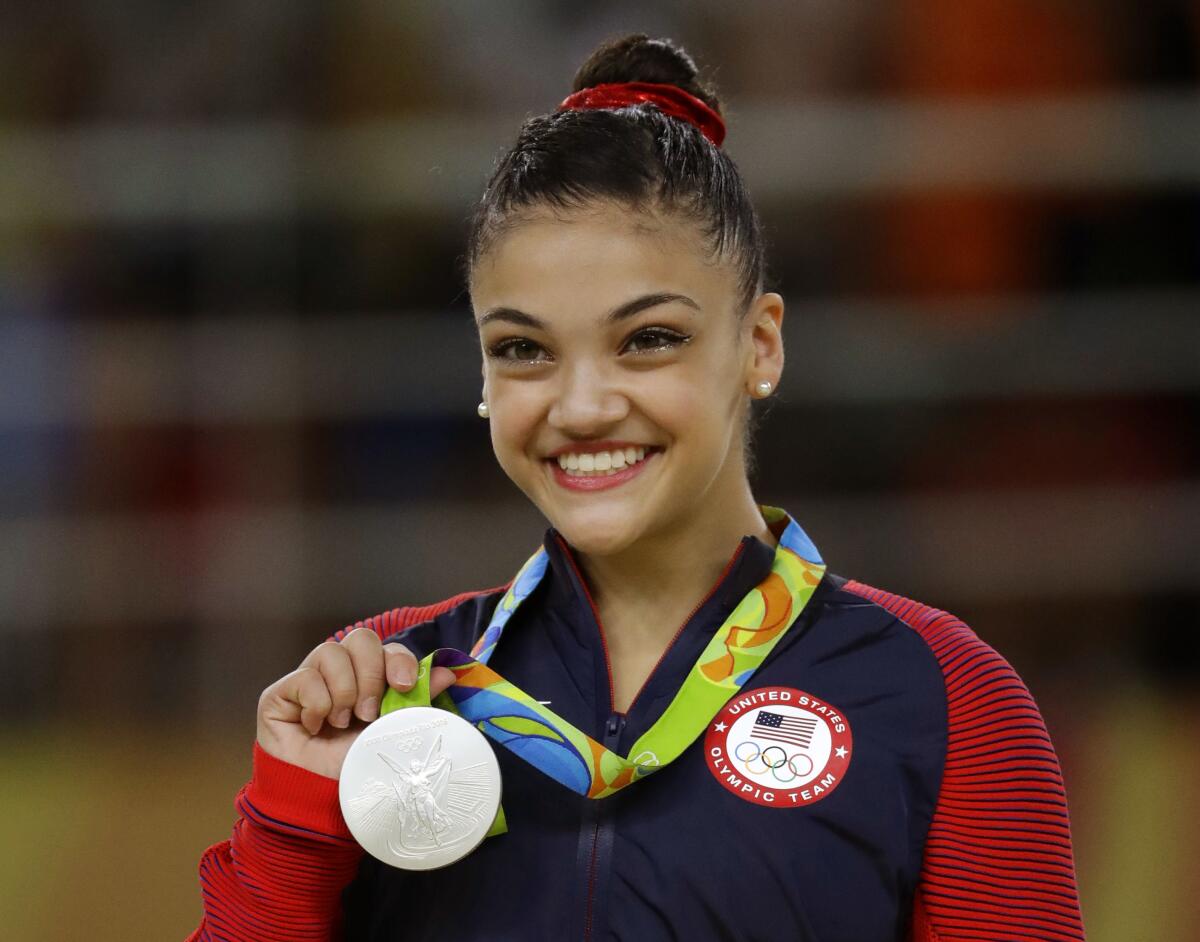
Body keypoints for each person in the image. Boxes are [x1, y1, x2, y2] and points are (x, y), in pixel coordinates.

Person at [188, 34, 1085, 942]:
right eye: (524, 350)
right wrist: (294, 820)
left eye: (648, 338)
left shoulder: (941, 698)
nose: (580, 406)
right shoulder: (393, 695)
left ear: (760, 345)